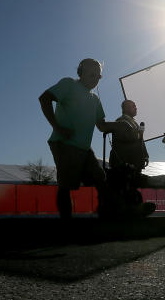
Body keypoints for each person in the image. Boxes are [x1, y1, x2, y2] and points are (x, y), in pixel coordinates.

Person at [39, 58, 126, 219]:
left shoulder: (95, 100)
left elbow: (102, 126)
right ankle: (67, 223)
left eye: (98, 77)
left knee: (100, 178)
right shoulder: (69, 84)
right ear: (80, 73)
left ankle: (107, 214)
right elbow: (44, 99)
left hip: (84, 148)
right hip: (63, 144)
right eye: (92, 75)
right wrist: (57, 127)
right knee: (65, 185)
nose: (95, 79)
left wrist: (121, 125)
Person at [107, 100, 155, 216]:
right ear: (125, 108)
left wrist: (145, 155)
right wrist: (138, 134)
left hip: (134, 163)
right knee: (124, 189)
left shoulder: (135, 123)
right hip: (124, 164)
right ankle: (129, 212)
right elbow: (127, 139)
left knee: (132, 188)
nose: (136, 108)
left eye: (135, 106)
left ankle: (134, 211)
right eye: (133, 106)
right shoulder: (121, 121)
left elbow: (139, 141)